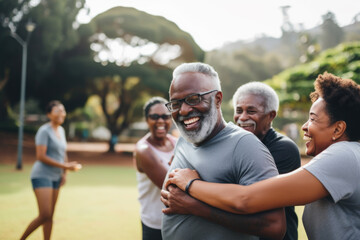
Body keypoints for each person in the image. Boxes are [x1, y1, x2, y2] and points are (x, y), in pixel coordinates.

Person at [164, 72, 360, 240]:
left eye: (313, 119)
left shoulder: (344, 156)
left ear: (338, 129)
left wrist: (191, 184)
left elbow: (247, 199)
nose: (304, 126)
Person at [161, 62, 286, 240]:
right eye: (175, 103)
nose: (184, 110)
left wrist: (195, 207)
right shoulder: (184, 140)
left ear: (218, 99)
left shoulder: (245, 146)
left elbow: (274, 226)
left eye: (194, 99)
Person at [233, 82, 301, 240]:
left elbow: (250, 199)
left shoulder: (284, 149)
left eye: (251, 111)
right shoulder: (236, 144)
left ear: (271, 115)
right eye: (239, 110)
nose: (242, 117)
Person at [20, 100, 81, 240]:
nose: (61, 113)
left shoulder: (61, 130)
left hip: (56, 176)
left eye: (63, 110)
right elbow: (41, 156)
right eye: (57, 111)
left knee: (50, 216)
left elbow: (63, 152)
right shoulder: (44, 131)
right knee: (45, 214)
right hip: (42, 175)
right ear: (49, 114)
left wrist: (64, 173)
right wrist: (65, 166)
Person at [134, 97, 177, 240]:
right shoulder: (143, 150)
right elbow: (169, 187)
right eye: (154, 116)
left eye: (165, 116)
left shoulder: (178, 143)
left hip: (179, 222)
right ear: (147, 120)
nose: (160, 121)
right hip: (155, 225)